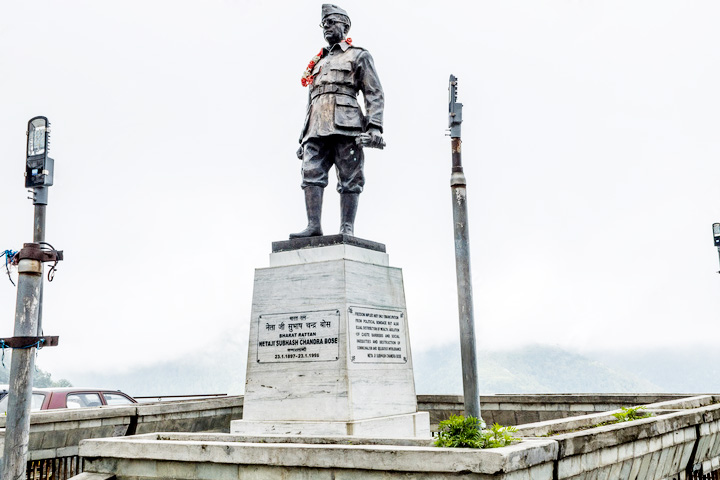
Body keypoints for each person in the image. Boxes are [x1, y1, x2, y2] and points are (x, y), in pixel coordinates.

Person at [290, 4, 385, 239]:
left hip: (347, 124)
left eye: (331, 22)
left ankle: (347, 227)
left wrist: (374, 127)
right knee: (310, 172)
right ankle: (313, 225)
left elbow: (374, 92)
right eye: (324, 24)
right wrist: (304, 137)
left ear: (345, 25)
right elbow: (312, 100)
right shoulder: (318, 63)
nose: (326, 28)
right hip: (316, 126)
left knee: (350, 175)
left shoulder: (358, 55)